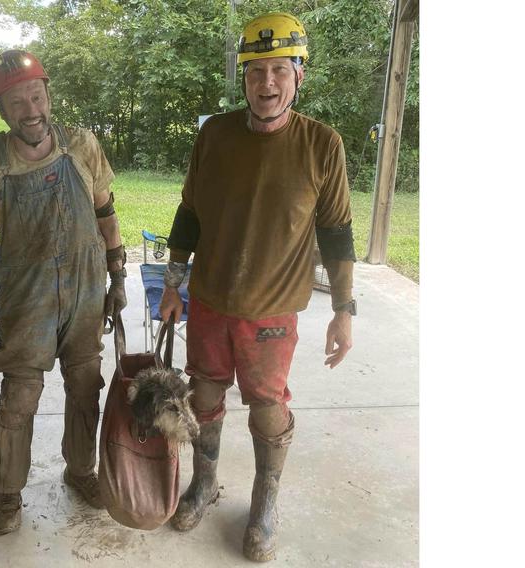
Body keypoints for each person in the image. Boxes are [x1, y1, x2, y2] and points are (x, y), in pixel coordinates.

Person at [159, 12, 356, 562]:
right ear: (242, 78)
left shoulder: (322, 144)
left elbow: (337, 234)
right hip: (210, 301)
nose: (266, 83)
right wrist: (173, 283)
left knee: (267, 406)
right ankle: (204, 483)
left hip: (271, 313)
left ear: (298, 76)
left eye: (278, 70)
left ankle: (265, 501)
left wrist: (344, 310)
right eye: (254, 71)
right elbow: (189, 214)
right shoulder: (215, 135)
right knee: (203, 396)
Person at [0, 49, 128, 534]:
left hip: (87, 291)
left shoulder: (83, 146)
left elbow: (106, 211)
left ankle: (80, 470)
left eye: (36, 95)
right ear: (2, 111)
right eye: (15, 102)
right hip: (28, 301)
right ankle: (7, 493)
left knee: (86, 386)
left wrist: (119, 275)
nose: (30, 110)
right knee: (20, 397)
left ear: (48, 94)